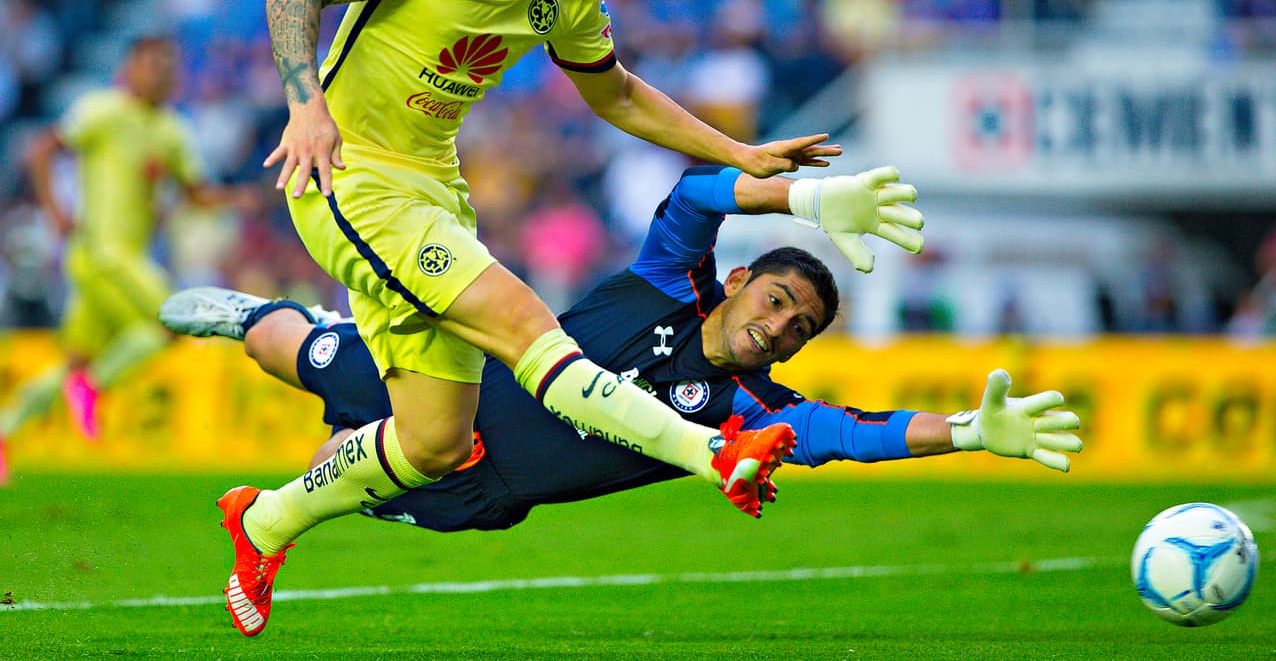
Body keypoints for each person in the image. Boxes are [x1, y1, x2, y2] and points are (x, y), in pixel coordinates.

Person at [219, 0, 865, 638]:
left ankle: (264, 524)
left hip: (433, 193)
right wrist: (306, 107)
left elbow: (618, 95)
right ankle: (709, 454)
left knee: (433, 446)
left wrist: (740, 152)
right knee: (529, 327)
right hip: (350, 173)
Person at [163, 165, 1081, 567]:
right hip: (456, 377)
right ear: (737, 281)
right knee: (302, 357)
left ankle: (289, 504)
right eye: (774, 301)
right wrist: (801, 196)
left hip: (483, 496)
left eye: (796, 328)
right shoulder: (663, 278)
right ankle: (257, 314)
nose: (778, 327)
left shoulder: (751, 413)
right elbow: (695, 194)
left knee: (365, 482)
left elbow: (852, 433)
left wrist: (968, 432)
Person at [0, 35, 255, 483]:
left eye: (168, 65)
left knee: (75, 361)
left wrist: (244, 197)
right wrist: (56, 211)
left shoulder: (171, 131)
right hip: (99, 252)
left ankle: (5, 432)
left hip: (127, 260)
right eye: (151, 63)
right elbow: (41, 149)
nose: (160, 73)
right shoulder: (103, 110)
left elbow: (197, 194)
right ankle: (94, 387)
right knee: (170, 323)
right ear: (130, 67)